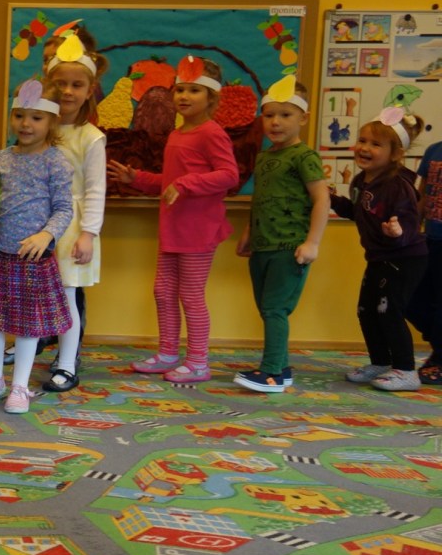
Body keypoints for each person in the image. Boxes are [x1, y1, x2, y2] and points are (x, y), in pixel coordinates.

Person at [107, 55, 239, 383]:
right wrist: (137, 178)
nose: (183, 96)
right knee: (163, 293)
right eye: (179, 89)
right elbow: (169, 182)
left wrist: (186, 184)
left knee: (191, 297)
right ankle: (168, 353)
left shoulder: (211, 133)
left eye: (194, 90)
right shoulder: (178, 134)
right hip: (173, 229)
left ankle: (198, 362)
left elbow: (229, 175)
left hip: (199, 231)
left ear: (212, 97)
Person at [0, 80, 73, 414]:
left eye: (36, 118)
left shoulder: (56, 162)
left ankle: (20, 386)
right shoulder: (1, 158)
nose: (26, 124)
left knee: (28, 325)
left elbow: (64, 209)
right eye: (19, 115)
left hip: (32, 258)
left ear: (52, 122)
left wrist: (46, 235)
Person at [233, 76, 329, 393]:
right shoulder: (265, 157)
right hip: (263, 246)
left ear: (303, 118)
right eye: (269, 115)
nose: (275, 122)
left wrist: (312, 242)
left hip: (290, 247)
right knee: (267, 308)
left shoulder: (304, 157)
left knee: (276, 309)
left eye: (285, 115)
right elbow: (262, 199)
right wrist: (249, 232)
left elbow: (321, 200)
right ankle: (282, 368)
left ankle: (271, 373)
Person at [330, 107, 429, 391]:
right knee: (366, 310)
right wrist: (334, 200)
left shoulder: (398, 186)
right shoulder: (361, 181)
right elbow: (357, 212)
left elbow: (410, 220)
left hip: (405, 257)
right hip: (379, 258)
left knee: (389, 311)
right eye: (362, 140)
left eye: (375, 144)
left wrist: (398, 232)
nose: (365, 148)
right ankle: (381, 362)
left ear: (395, 154)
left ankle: (406, 370)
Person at [41, 32, 108, 392]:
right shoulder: (38, 128)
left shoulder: (90, 136)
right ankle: (28, 353)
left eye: (76, 85)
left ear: (89, 89)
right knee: (33, 293)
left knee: (66, 296)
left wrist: (88, 233)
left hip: (71, 228)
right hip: (37, 223)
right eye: (60, 83)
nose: (67, 91)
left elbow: (96, 189)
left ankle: (66, 363)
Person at [407, 136, 442, 384]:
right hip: (430, 240)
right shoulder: (434, 150)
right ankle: (439, 347)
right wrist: (411, 233)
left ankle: (439, 358)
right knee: (411, 299)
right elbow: (421, 197)